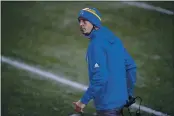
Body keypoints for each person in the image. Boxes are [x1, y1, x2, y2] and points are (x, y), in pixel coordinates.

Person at [73, 7, 136, 116]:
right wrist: (128, 93)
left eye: (84, 21)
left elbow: (100, 78)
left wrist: (83, 101)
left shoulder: (95, 45)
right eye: (80, 21)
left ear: (94, 23)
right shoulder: (114, 39)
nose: (81, 24)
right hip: (121, 101)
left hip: (106, 106)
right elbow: (131, 67)